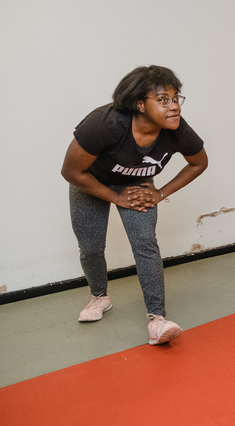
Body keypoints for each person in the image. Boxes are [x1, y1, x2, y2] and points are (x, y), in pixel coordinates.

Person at [61, 65, 208, 345]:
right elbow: (71, 171)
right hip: (91, 182)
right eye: (163, 100)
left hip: (138, 185)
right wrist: (117, 198)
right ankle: (99, 297)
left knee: (145, 243)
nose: (174, 106)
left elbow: (199, 162)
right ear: (140, 104)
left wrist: (160, 193)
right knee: (91, 247)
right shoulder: (104, 123)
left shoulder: (176, 129)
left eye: (176, 98)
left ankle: (158, 319)